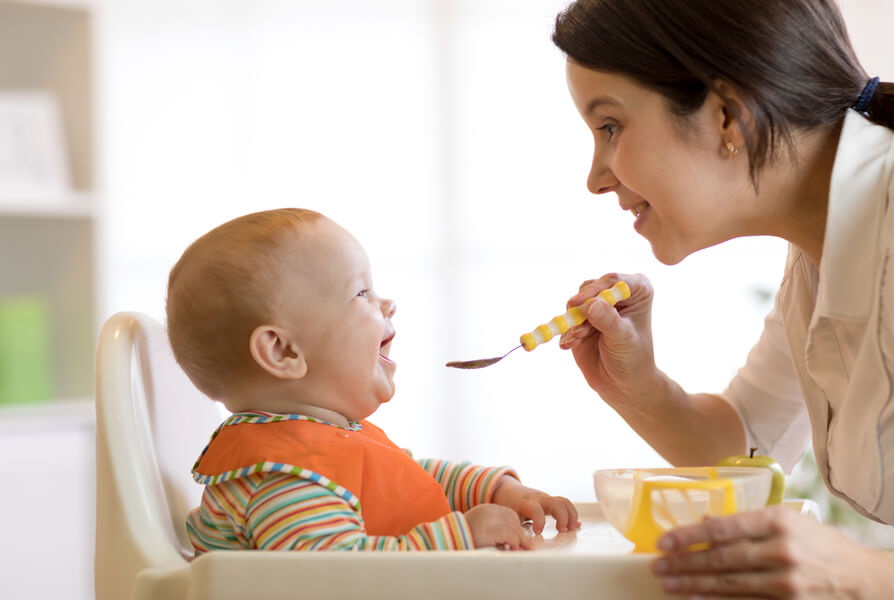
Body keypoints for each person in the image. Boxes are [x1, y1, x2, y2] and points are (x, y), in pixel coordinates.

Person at [550, 0, 894, 597]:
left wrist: (860, 574)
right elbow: (743, 442)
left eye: (610, 127)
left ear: (728, 116)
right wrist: (638, 386)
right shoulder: (821, 254)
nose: (596, 177)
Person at [166, 208, 579, 553]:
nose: (388, 303)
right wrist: (460, 537)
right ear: (283, 352)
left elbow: (412, 477)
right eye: (361, 293)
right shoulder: (283, 479)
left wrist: (494, 490)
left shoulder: (324, 443)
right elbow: (344, 578)